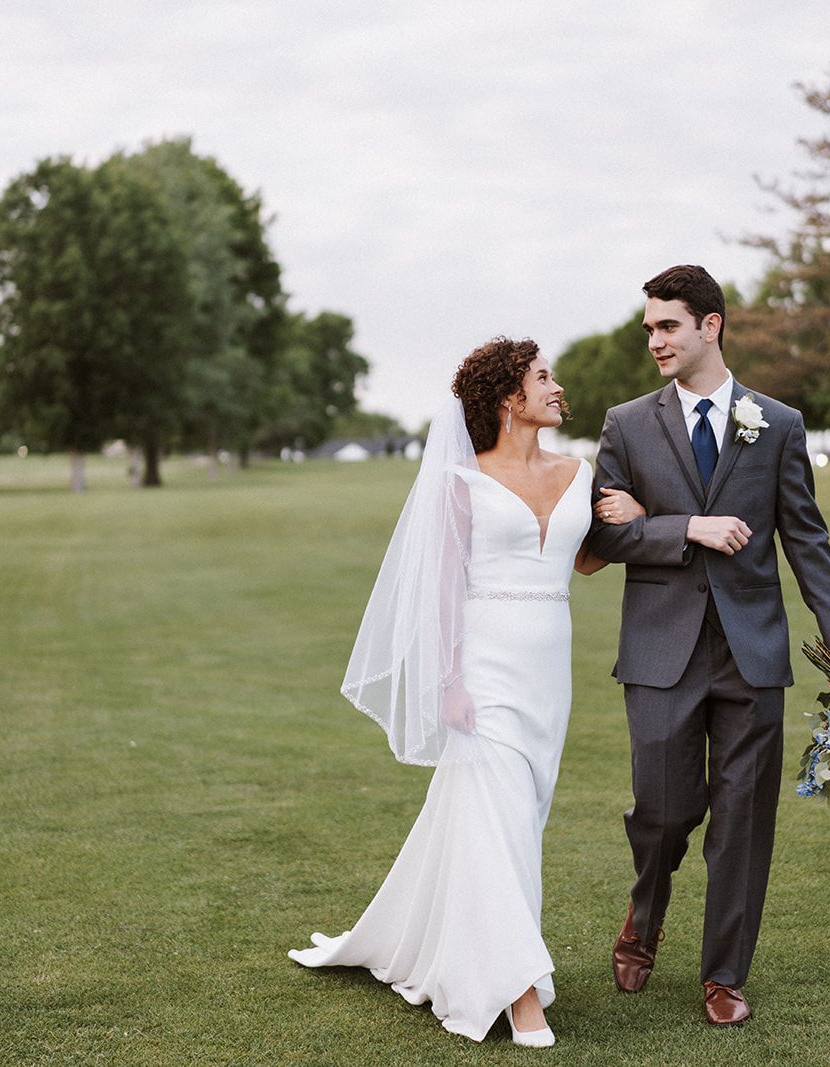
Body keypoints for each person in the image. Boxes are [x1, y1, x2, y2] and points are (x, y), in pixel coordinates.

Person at [289, 337, 610, 1047]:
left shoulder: (578, 471)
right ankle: (521, 991)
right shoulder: (460, 482)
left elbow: (583, 560)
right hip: (485, 672)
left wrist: (634, 513)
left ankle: (437, 942)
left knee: (520, 821)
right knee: (495, 819)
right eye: (543, 377)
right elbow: (439, 588)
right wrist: (448, 681)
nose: (558, 387)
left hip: (549, 672)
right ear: (508, 399)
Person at [585, 264, 830, 1027]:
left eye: (667, 325)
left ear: (710, 325)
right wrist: (685, 527)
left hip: (753, 654)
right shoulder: (626, 423)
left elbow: (808, 540)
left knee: (744, 818)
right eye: (649, 327)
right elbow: (603, 532)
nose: (655, 340)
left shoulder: (777, 423)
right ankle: (645, 914)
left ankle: (724, 973)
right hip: (659, 651)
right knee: (665, 811)